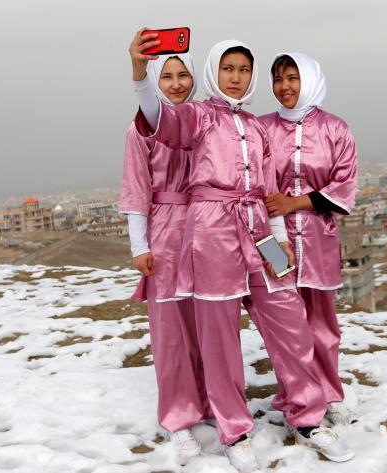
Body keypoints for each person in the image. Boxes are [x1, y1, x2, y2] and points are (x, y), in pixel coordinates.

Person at [129, 30, 354, 472]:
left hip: (259, 229)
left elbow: (270, 189)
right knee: (219, 334)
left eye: (244, 70)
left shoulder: (256, 126)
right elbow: (158, 119)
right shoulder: (197, 117)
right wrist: (139, 74)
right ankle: (235, 429)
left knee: (289, 317)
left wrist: (281, 242)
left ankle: (308, 418)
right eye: (228, 69)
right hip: (211, 229)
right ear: (214, 73)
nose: (236, 77)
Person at [118, 53, 209, 461]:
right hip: (166, 232)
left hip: (210, 229)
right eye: (166, 76)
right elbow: (136, 189)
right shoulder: (142, 128)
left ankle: (208, 403)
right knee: (171, 331)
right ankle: (177, 416)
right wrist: (140, 246)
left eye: (183, 74)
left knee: (208, 324)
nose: (175, 83)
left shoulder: (208, 120)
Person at [260, 52, 359, 426]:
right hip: (272, 237)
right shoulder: (262, 128)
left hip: (319, 238)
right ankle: (294, 393)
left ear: (310, 80)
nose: (284, 87)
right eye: (278, 79)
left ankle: (328, 392)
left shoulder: (336, 129)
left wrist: (294, 202)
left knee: (322, 323)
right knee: (284, 321)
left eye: (292, 78)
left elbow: (344, 185)